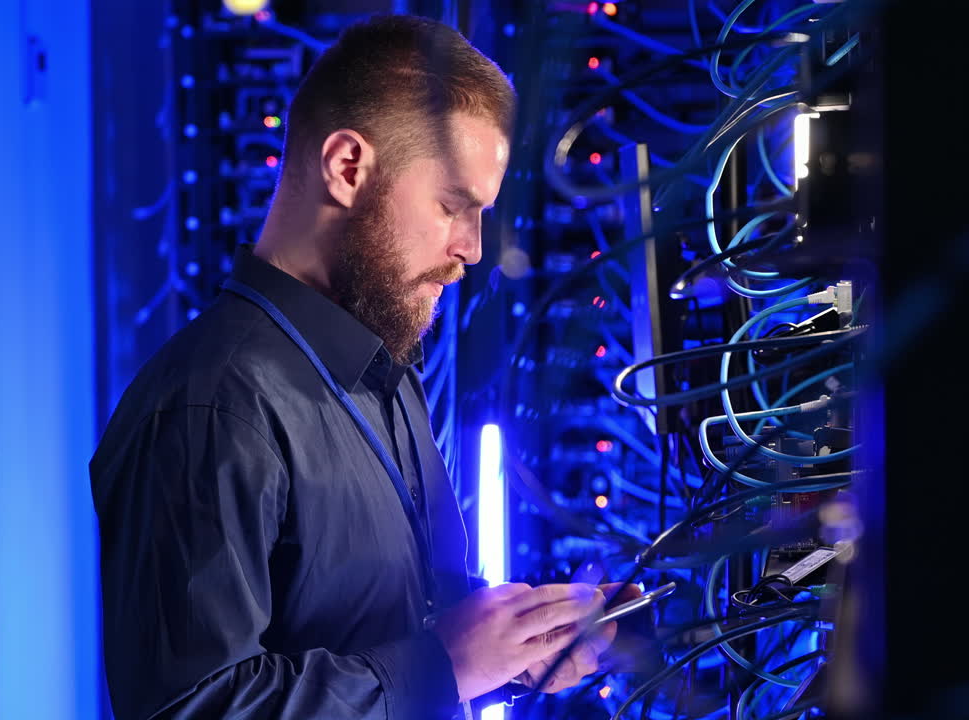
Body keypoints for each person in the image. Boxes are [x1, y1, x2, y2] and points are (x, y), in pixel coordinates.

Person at [90, 15, 639, 720]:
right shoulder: (214, 404)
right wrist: (445, 666)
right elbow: (195, 709)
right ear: (347, 168)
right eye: (452, 206)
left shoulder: (385, 373)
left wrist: (516, 652)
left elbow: (387, 631)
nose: (470, 249)